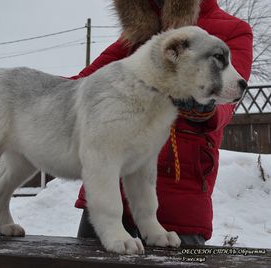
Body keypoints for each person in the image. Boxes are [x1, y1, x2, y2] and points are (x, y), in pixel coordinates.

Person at [72, 0, 253, 245]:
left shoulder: (232, 30)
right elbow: (80, 86)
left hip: (179, 195)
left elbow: (229, 99)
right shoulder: (139, 34)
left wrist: (204, 107)